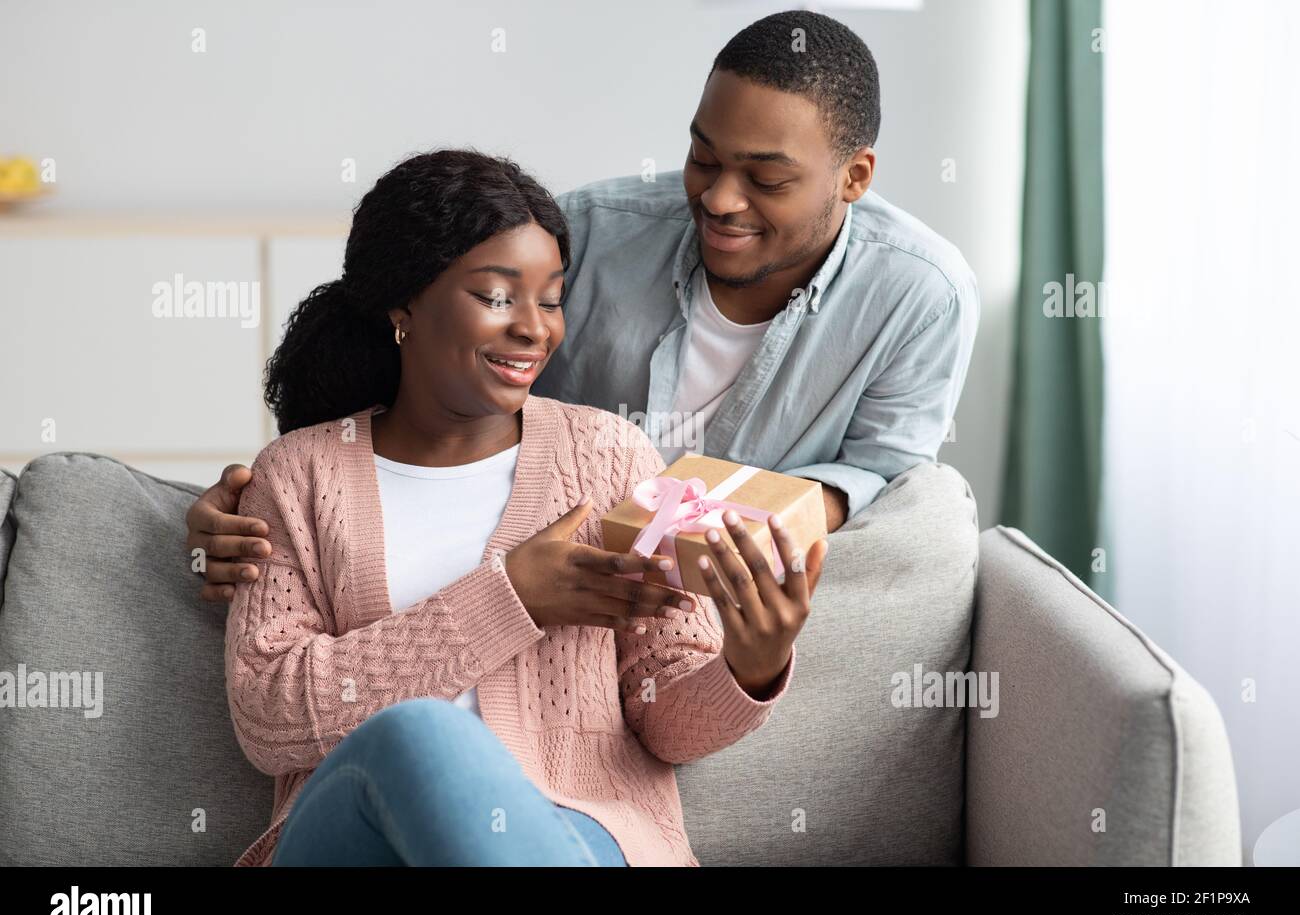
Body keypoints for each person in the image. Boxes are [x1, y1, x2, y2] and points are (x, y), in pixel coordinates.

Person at [187, 10, 977, 602]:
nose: (720, 199)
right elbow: (426, 378)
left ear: (855, 176)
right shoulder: (591, 230)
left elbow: (881, 470)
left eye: (766, 180)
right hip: (512, 571)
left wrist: (794, 512)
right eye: (703, 156)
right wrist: (268, 501)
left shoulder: (920, 296)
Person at [225, 149, 827, 867]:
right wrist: (514, 598)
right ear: (404, 302)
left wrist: (750, 666)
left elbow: (666, 725)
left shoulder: (609, 456)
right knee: (417, 736)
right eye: (497, 296)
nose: (534, 329)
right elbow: (268, 713)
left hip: (578, 837)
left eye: (550, 299)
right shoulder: (298, 475)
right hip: (357, 841)